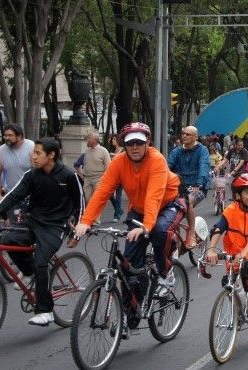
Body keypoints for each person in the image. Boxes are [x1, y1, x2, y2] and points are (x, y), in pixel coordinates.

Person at [75, 123, 182, 310]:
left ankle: (167, 272)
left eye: (139, 143)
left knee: (159, 231)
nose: (134, 147)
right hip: (138, 209)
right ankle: (131, 309)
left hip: (165, 204)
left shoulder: (157, 160)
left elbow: (154, 195)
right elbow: (102, 192)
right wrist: (85, 221)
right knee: (129, 265)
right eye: (130, 143)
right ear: (124, 145)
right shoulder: (118, 161)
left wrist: (146, 226)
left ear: (147, 142)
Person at [0, 138, 83, 326]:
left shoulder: (68, 176)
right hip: (32, 221)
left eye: (37, 153)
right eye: (33, 152)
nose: (33, 157)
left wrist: (77, 232)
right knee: (8, 240)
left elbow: (80, 204)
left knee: (41, 263)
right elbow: (12, 196)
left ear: (51, 155)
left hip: (55, 226)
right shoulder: (32, 175)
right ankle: (28, 272)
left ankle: (46, 311)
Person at [205, 174, 248, 315]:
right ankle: (238, 309)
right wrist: (211, 250)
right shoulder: (230, 210)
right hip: (234, 251)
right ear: (238, 195)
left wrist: (245, 252)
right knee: (229, 282)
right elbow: (218, 228)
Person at [167, 125, 210, 249]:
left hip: (197, 186)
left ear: (195, 137)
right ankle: (175, 237)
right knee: (170, 209)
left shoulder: (202, 150)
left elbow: (204, 166)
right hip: (179, 186)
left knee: (187, 201)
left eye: (188, 134)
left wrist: (200, 182)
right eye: (183, 133)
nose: (184, 136)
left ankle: (191, 234)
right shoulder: (176, 151)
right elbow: (167, 167)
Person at [0, 124, 35, 207]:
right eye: (5, 135)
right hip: (11, 195)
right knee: (14, 219)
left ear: (19, 136)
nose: (6, 138)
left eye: (10, 135)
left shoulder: (31, 146)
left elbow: (38, 171)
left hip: (30, 195)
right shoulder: (1, 150)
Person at [80, 130, 112, 204]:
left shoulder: (104, 151)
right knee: (87, 200)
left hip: (98, 179)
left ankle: (96, 216)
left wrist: (104, 180)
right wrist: (83, 174)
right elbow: (85, 163)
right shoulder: (87, 150)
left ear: (95, 140)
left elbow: (109, 168)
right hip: (87, 179)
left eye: (89, 138)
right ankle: (90, 215)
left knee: (97, 202)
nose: (87, 140)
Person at [108, 134, 125, 222]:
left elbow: (123, 160)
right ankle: (119, 210)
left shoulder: (123, 150)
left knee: (118, 195)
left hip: (120, 176)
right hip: (113, 175)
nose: (112, 141)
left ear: (118, 140)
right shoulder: (113, 150)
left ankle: (117, 215)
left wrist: (114, 155)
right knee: (110, 195)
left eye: (114, 139)